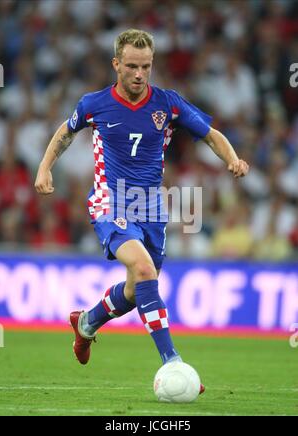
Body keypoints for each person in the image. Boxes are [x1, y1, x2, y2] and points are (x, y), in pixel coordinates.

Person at [35, 29, 249, 391]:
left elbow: (211, 133)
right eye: (132, 66)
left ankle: (86, 322)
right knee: (144, 267)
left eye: (146, 66)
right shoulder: (95, 104)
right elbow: (65, 132)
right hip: (109, 199)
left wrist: (233, 158)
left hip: (151, 207)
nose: (139, 74)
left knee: (139, 288)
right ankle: (173, 363)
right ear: (116, 64)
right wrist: (44, 167)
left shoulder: (168, 103)